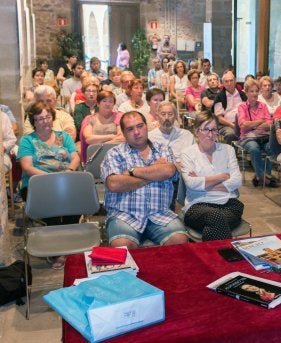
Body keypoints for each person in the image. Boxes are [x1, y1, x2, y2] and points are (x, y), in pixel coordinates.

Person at [100, 111, 189, 248]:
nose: (136, 132)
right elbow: (114, 184)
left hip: (160, 213)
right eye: (130, 129)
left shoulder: (163, 149)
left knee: (179, 240)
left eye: (140, 126)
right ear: (123, 133)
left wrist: (132, 171)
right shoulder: (114, 153)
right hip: (124, 215)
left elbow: (169, 171)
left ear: (147, 127)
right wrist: (155, 173)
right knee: (122, 245)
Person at [17, 101, 81, 269]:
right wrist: (51, 179)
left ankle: (62, 248)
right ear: (33, 122)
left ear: (52, 117)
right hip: (37, 185)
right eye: (39, 119)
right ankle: (60, 251)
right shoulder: (27, 140)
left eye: (47, 117)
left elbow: (75, 156)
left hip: (64, 181)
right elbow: (27, 167)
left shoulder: (64, 136)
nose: (45, 121)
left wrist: (70, 169)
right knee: (51, 209)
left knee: (77, 203)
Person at [180, 111, 243, 241]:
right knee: (216, 218)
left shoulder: (228, 150)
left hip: (229, 203)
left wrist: (204, 183)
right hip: (198, 205)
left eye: (214, 130)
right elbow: (191, 183)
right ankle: (228, 256)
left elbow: (237, 181)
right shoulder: (187, 153)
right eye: (206, 129)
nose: (210, 135)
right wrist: (223, 177)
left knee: (214, 225)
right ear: (197, 131)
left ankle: (210, 256)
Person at [237, 79, 275, 187]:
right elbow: (243, 124)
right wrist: (260, 121)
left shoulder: (263, 106)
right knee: (254, 148)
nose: (254, 94)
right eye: (251, 91)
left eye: (256, 91)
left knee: (271, 147)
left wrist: (256, 124)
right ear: (246, 92)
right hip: (247, 137)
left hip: (263, 136)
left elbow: (270, 122)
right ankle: (261, 176)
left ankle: (266, 175)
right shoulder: (242, 106)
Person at [80, 90, 124, 162]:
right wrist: (111, 136)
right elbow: (88, 139)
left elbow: (122, 138)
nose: (107, 104)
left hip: (116, 155)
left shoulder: (119, 116)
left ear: (113, 104)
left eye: (110, 102)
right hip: (95, 155)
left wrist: (101, 147)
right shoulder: (89, 119)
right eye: (104, 101)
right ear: (98, 103)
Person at [213, 70, 247, 144]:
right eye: (226, 81)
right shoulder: (219, 97)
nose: (229, 83)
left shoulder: (242, 95)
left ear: (235, 81)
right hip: (226, 125)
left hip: (243, 124)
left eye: (231, 80)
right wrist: (233, 125)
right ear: (223, 83)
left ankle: (242, 152)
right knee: (231, 134)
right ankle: (229, 154)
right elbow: (220, 118)